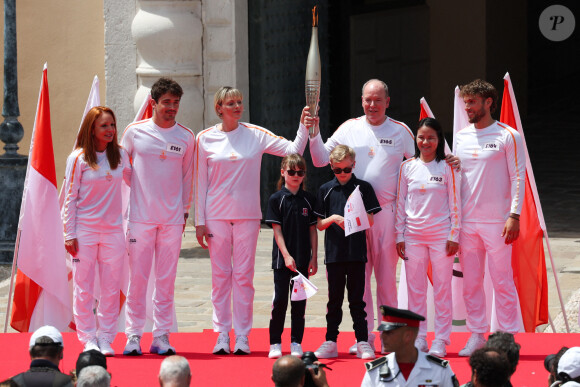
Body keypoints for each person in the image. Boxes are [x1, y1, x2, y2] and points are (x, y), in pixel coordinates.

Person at [309, 79, 460, 353]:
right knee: (360, 278)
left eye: (378, 100)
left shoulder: (401, 131)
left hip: (387, 215)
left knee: (387, 279)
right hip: (353, 217)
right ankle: (364, 338)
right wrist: (313, 129)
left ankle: (387, 338)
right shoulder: (349, 128)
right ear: (362, 101)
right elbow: (320, 158)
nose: (372, 105)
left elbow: (426, 157)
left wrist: (451, 159)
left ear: (387, 102)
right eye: (368, 99)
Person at [195, 86, 314, 355]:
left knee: (243, 277)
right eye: (231, 103)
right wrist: (199, 221)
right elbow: (200, 182)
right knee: (221, 277)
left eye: (239, 102)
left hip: (248, 215)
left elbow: (293, 149)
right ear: (219, 108)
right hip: (216, 216)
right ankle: (223, 334)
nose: (237, 106)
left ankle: (243, 337)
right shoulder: (204, 139)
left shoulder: (255, 135)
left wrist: (303, 125)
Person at [121, 77, 195, 356]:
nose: (172, 108)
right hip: (140, 219)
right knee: (138, 280)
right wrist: (139, 189)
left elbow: (187, 177)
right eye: (166, 102)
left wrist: (184, 210)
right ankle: (132, 336)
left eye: (176, 103)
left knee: (166, 280)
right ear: (153, 103)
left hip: (172, 220)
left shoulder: (186, 136)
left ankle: (161, 336)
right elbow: (120, 167)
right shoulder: (134, 132)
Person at [453, 79, 525, 356]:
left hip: (498, 223)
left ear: (488, 103)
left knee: (502, 280)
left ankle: (506, 338)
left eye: (472, 102)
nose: (468, 107)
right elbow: (455, 178)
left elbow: (518, 176)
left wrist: (514, 215)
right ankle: (476, 334)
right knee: (471, 283)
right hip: (468, 223)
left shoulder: (508, 135)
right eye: (466, 102)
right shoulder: (460, 136)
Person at [61, 106, 131, 356]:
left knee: (111, 288)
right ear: (92, 129)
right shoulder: (78, 158)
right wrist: (69, 233)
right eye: (104, 126)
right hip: (84, 232)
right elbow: (70, 197)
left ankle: (106, 338)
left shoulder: (121, 156)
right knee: (84, 288)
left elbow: (138, 184)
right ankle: (88, 338)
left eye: (112, 125)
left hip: (113, 233)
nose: (110, 130)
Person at [394, 117, 460, 357]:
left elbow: (455, 203)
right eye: (421, 137)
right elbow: (401, 203)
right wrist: (398, 235)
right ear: (416, 139)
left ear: (439, 140)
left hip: (441, 237)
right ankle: (419, 337)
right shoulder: (407, 167)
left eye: (431, 138)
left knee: (443, 289)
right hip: (412, 237)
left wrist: (454, 234)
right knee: (415, 290)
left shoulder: (447, 167)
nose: (425, 142)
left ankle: (441, 338)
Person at [313, 145, 381, 360]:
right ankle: (331, 341)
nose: (342, 174)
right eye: (337, 170)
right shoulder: (326, 189)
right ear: (331, 167)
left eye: (346, 169)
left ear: (354, 165)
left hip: (356, 253)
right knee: (334, 300)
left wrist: (351, 220)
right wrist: (334, 218)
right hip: (334, 254)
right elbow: (319, 224)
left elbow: (370, 220)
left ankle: (362, 341)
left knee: (357, 301)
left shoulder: (363, 187)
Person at [265, 154, 318, 359]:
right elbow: (277, 231)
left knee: (299, 303)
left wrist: (314, 257)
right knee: (279, 302)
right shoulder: (276, 199)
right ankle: (275, 342)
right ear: (283, 172)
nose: (296, 176)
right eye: (292, 172)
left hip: (303, 261)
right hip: (282, 262)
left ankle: (296, 341)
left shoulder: (309, 199)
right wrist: (286, 256)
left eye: (300, 172)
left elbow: (313, 230)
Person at [361, 306, 459, 387]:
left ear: (408, 336)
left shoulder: (439, 369)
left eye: (389, 333)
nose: (382, 336)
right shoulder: (375, 371)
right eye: (383, 332)